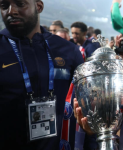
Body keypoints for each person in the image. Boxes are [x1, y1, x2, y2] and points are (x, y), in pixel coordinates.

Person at [0, 0, 84, 149]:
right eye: (4, 5)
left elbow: (84, 106)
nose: (11, 11)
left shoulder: (68, 50)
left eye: (20, 3)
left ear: (39, 6)